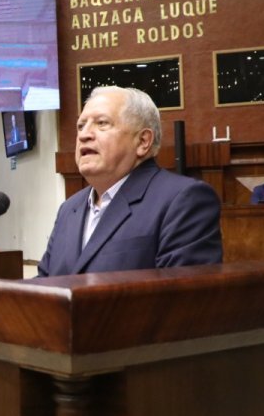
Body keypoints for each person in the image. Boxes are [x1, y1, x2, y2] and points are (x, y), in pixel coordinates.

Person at [37, 86, 223, 277]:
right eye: (81, 126)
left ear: (143, 141)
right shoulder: (69, 209)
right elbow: (43, 285)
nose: (84, 135)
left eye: (102, 123)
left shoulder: (183, 200)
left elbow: (184, 297)